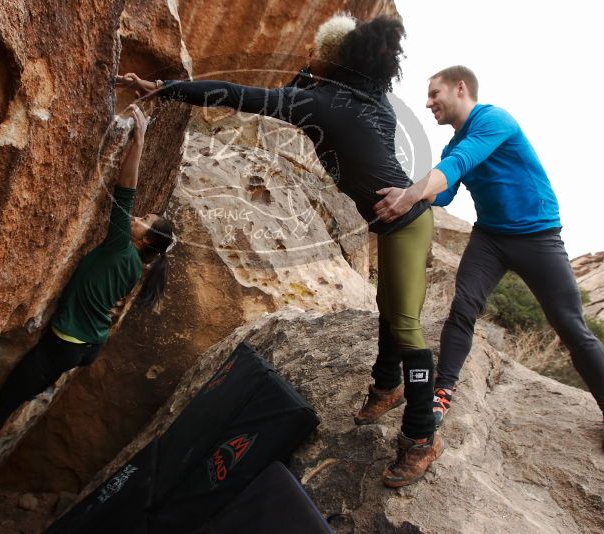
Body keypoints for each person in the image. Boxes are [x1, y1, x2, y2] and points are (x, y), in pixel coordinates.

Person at [120, 14, 442, 487]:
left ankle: (420, 435)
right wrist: (314, 75)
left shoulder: (320, 102)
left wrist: (166, 87)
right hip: (397, 222)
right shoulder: (370, 99)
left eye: (315, 52)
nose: (306, 57)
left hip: (408, 225)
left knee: (406, 325)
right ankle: (385, 386)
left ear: (330, 60)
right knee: (387, 309)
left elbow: (241, 95)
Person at [372, 65, 604, 459]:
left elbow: (461, 164)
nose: (428, 104)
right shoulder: (452, 146)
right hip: (490, 238)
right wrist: (406, 186)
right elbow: (444, 193)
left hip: (538, 237)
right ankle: (443, 393)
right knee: (462, 308)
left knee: (570, 324)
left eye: (434, 94)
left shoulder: (494, 120)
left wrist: (411, 193)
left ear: (461, 88)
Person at [0, 105, 176, 484]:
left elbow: (125, 190)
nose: (136, 218)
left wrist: (139, 140)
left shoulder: (121, 246)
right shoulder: (135, 263)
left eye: (144, 221)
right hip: (85, 345)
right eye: (141, 216)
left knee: (2, 406)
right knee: (9, 400)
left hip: (63, 346)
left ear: (146, 238)